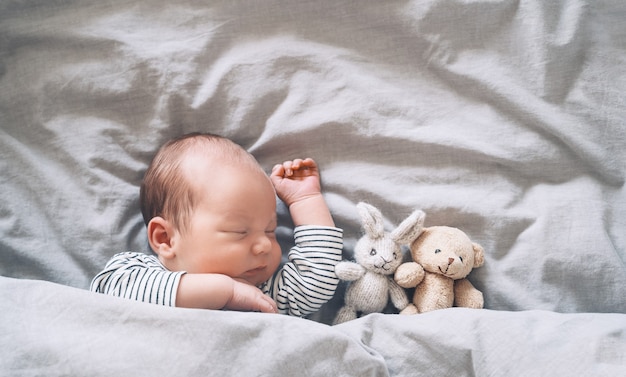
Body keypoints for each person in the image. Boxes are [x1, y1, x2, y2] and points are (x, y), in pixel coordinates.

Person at [90, 132, 343, 317]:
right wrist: (227, 292)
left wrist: (306, 200)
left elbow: (316, 280)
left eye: (270, 230)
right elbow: (107, 291)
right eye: (239, 231)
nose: (264, 245)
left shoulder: (263, 293)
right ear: (165, 238)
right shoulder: (136, 275)